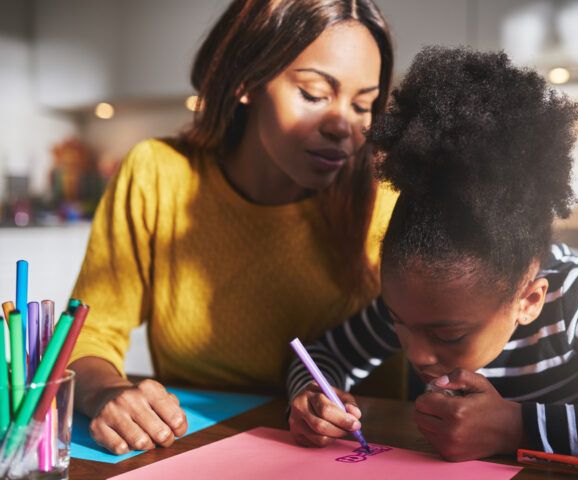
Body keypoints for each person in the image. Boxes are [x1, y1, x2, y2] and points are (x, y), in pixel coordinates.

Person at [287, 46, 578, 467]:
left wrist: (515, 426)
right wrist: (314, 398)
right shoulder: (421, 302)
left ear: (529, 299)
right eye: (398, 323)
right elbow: (322, 354)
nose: (417, 354)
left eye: (448, 334)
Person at [68, 0, 398, 455]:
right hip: (196, 446)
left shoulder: (385, 195)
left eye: (365, 104)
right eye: (315, 93)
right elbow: (88, 332)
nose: (344, 126)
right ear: (248, 80)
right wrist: (104, 391)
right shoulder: (158, 174)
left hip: (360, 451)